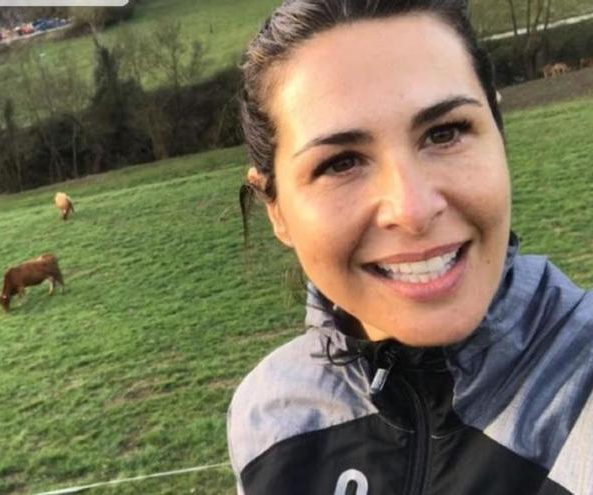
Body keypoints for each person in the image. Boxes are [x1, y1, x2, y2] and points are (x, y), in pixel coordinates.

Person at [227, 1, 593, 494]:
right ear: (276, 208)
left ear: (499, 135)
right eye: (340, 163)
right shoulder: (270, 413)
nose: (413, 209)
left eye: (446, 133)